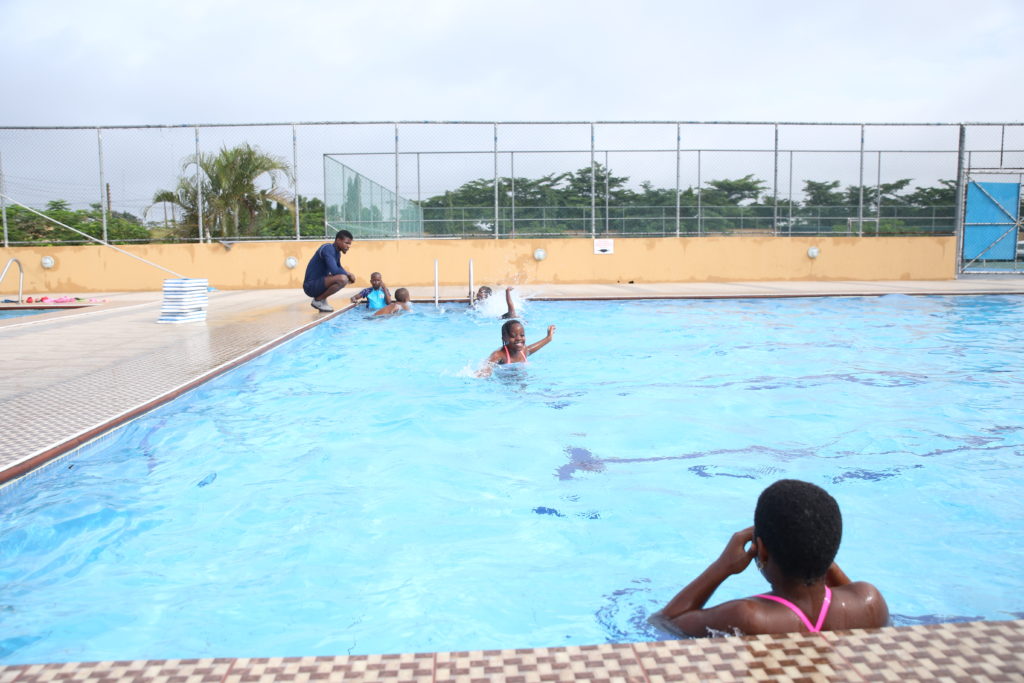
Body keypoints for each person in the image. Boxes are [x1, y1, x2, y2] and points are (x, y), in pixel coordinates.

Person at [650, 479, 889, 637]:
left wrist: (722, 567)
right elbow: (848, 591)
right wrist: (819, 554)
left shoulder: (747, 616)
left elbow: (665, 622)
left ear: (761, 550)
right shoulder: (870, 602)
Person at [477, 319, 556, 377]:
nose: (519, 338)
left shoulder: (523, 351)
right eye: (513, 336)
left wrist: (548, 338)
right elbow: (487, 365)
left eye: (522, 335)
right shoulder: (499, 354)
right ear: (504, 338)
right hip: (506, 387)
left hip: (523, 383)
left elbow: (532, 348)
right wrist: (485, 371)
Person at [302, 230, 356, 313]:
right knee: (343, 279)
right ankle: (318, 300)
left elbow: (339, 267)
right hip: (311, 286)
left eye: (350, 244)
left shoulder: (337, 253)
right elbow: (334, 270)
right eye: (346, 243)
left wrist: (348, 274)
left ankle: (322, 300)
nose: (348, 246)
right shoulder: (328, 248)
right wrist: (348, 274)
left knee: (344, 277)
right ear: (338, 240)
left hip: (319, 284)